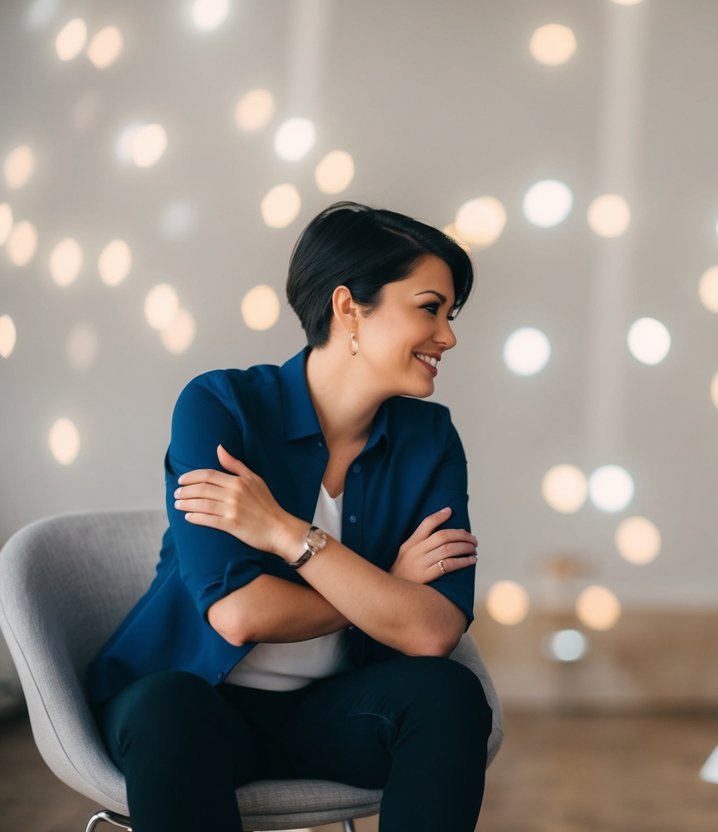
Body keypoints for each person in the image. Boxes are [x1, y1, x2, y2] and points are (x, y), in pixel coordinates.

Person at [87, 201, 492, 831]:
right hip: (195, 703)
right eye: (429, 307)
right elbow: (239, 613)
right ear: (348, 307)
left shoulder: (430, 439)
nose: (448, 335)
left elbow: (433, 633)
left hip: (333, 713)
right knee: (171, 709)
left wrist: (284, 532)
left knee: (448, 696)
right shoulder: (220, 407)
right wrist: (387, 585)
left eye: (449, 313)